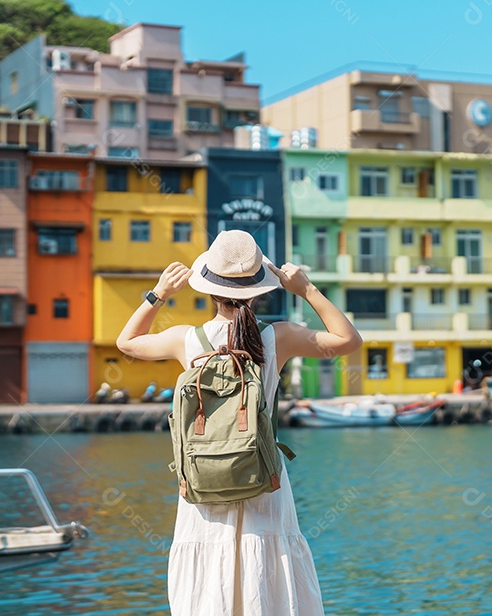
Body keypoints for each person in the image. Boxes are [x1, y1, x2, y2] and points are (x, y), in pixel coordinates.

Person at [117, 230, 362, 615]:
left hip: (202, 482)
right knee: (265, 572)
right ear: (260, 291)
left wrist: (159, 293)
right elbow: (348, 340)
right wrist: (306, 288)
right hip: (264, 480)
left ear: (208, 287)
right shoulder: (277, 337)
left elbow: (127, 342)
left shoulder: (187, 340)